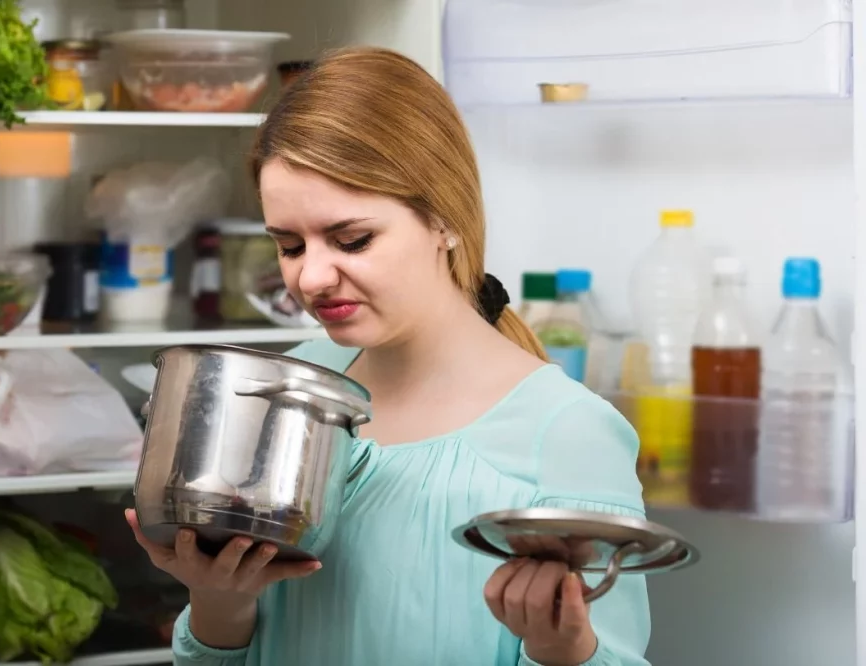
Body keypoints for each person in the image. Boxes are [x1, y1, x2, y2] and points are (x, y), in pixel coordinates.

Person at [125, 46, 651, 666]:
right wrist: (218, 599)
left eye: (352, 239)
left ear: (443, 219)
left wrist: (562, 648)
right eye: (290, 245)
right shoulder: (297, 379)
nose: (313, 277)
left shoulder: (568, 433)